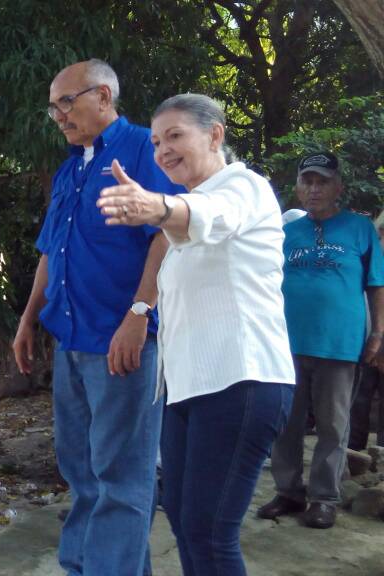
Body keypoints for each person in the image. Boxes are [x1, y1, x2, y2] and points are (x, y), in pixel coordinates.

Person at [95, 93, 295, 575]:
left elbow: (206, 217)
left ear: (215, 134)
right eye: (158, 141)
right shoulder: (186, 208)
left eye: (176, 136)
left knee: (210, 532)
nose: (163, 150)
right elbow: (184, 228)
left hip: (241, 382)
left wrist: (155, 206)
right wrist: (140, 307)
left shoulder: (244, 187)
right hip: (188, 390)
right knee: (185, 521)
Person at [12, 59, 182, 576]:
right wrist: (27, 318)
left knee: (122, 478)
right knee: (82, 472)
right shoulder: (71, 167)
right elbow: (50, 250)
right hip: (72, 341)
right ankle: (88, 566)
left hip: (122, 342)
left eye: (67, 102)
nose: (59, 115)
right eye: (53, 108)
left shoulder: (140, 150)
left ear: (104, 97)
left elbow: (168, 233)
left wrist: (139, 314)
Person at [258, 152, 384, 528]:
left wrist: (378, 332)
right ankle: (288, 492)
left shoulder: (359, 230)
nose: (314, 189)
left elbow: (377, 284)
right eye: (307, 182)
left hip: (340, 344)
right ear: (297, 188)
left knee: (333, 424)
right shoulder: (285, 232)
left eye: (322, 181)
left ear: (338, 187)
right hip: (284, 343)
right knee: (285, 423)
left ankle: (324, 498)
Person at [349, 215, 384, 453]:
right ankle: (354, 452)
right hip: (368, 337)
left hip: (376, 335)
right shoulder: (369, 259)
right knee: (360, 397)